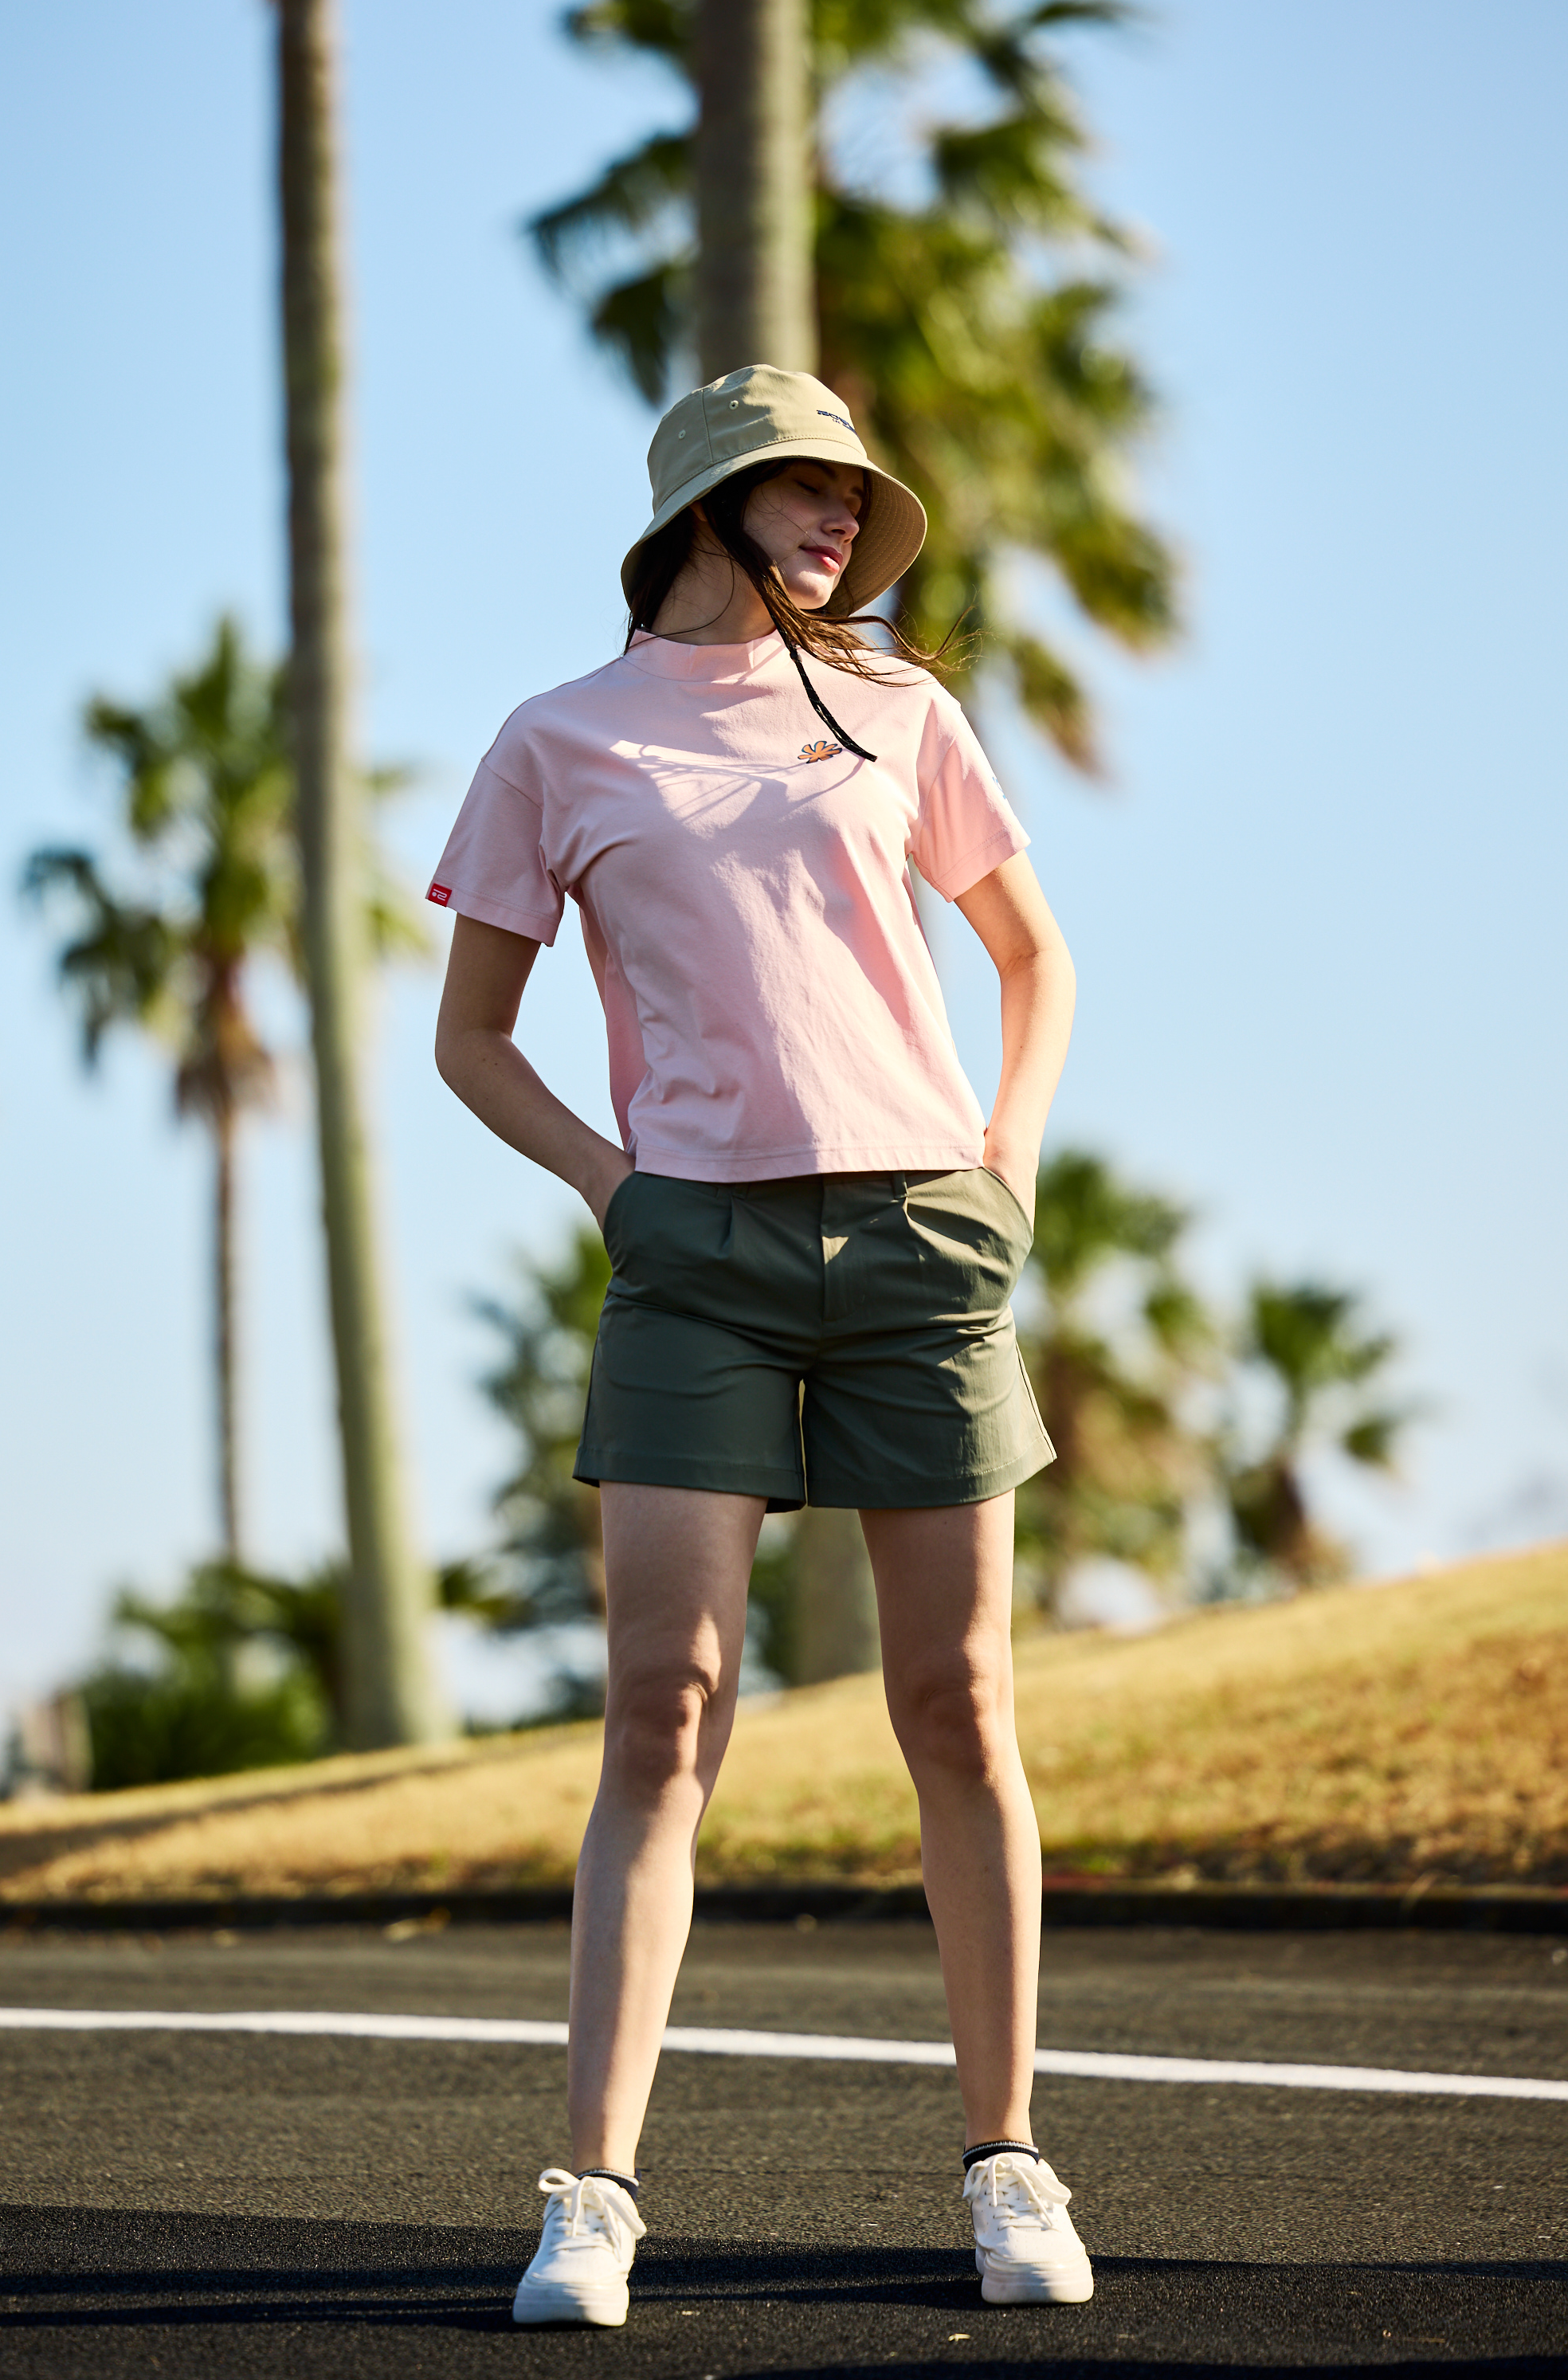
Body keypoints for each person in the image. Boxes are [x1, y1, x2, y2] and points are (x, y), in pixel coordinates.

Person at [431, 365, 1089, 2327]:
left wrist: (1006, 1168)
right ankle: (592, 2193)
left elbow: (1038, 960)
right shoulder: (558, 740)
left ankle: (1007, 2161)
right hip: (690, 1259)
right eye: (806, 489)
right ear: (705, 511)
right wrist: (613, 1186)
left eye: (853, 498)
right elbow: (472, 1038)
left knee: (957, 1702)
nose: (841, 521)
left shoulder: (903, 714)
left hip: (922, 1239)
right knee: (664, 1709)